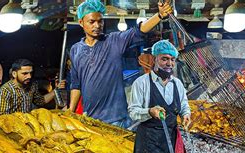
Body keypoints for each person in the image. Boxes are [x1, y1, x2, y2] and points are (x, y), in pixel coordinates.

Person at [69, 0, 173, 128]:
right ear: (81, 22)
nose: (97, 25)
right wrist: (71, 111)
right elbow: (76, 84)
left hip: (117, 119)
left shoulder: (113, 41)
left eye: (100, 21)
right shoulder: (76, 50)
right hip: (90, 119)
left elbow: (139, 31)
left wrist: (159, 15)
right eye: (92, 22)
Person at [128, 40, 191, 153]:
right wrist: (150, 112)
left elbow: (184, 105)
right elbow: (133, 112)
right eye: (164, 59)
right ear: (154, 59)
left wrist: (186, 115)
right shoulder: (141, 83)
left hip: (170, 140)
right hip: (148, 142)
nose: (170, 64)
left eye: (172, 59)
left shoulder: (177, 84)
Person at [0, 59, 65, 115]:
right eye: (25, 73)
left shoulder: (32, 85)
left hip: (28, 124)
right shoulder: (6, 90)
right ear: (14, 74)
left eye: (30, 73)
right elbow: (2, 117)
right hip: (13, 127)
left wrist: (56, 90)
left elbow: (40, 101)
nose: (29, 76)